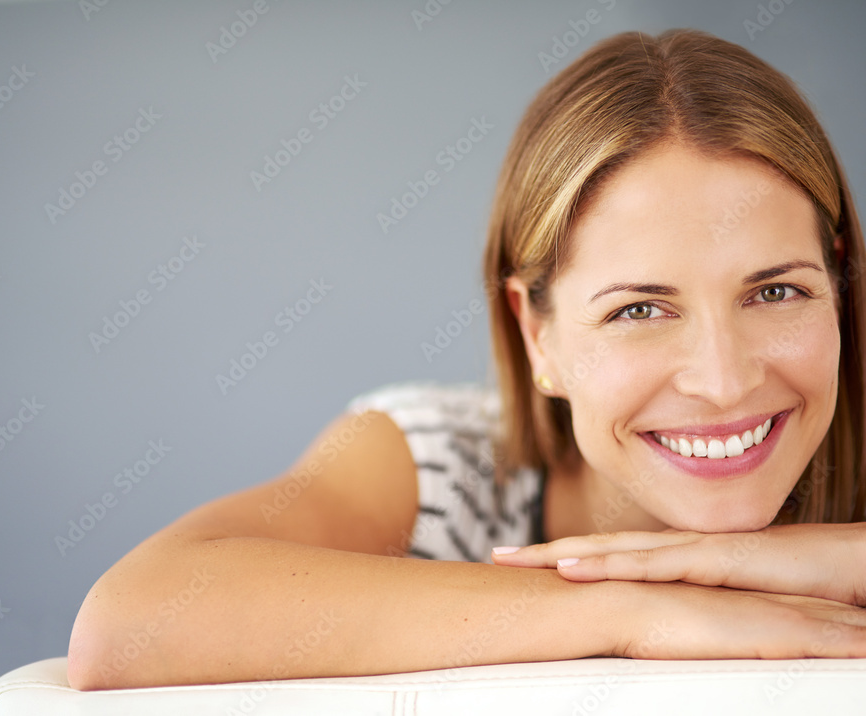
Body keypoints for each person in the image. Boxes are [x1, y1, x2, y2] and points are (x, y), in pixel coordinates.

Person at [66, 28, 866, 690]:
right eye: (638, 310)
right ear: (537, 335)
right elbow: (127, 625)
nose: (723, 381)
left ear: (837, 285)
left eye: (776, 292)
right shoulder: (439, 464)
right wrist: (629, 606)